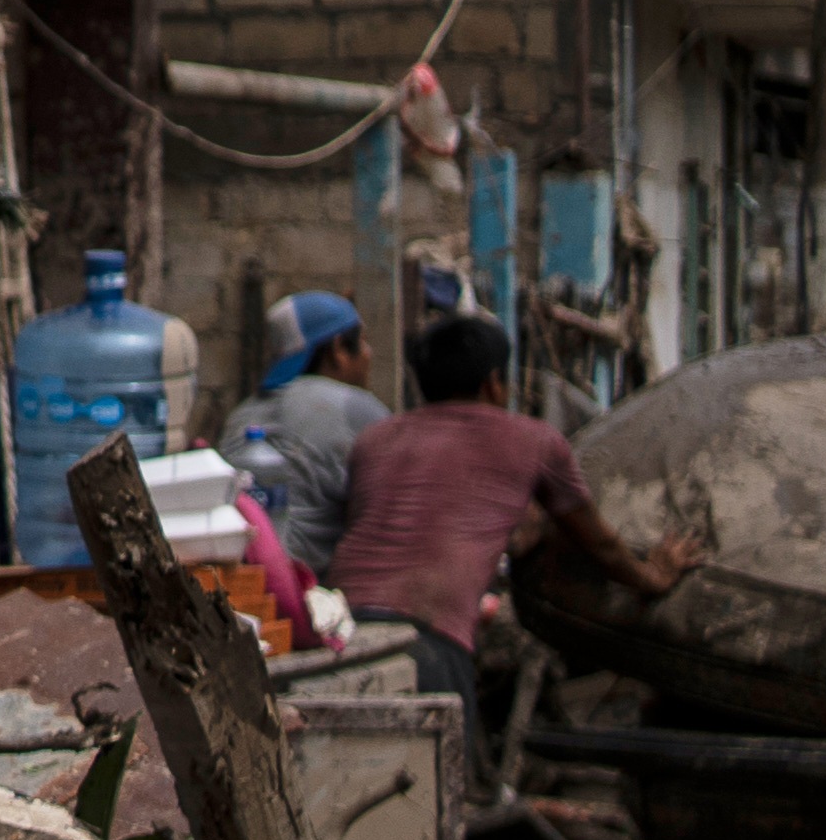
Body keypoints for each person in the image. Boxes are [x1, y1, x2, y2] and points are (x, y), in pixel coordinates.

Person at [316, 308, 692, 737]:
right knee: (434, 791)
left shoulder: (375, 439)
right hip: (431, 639)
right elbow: (601, 545)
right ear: (493, 382)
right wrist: (654, 575)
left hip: (340, 631)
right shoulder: (534, 440)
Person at [226, 289, 380, 566]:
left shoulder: (239, 416)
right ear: (338, 351)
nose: (369, 355)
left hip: (241, 582)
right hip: (317, 590)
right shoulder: (357, 407)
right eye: (364, 343)